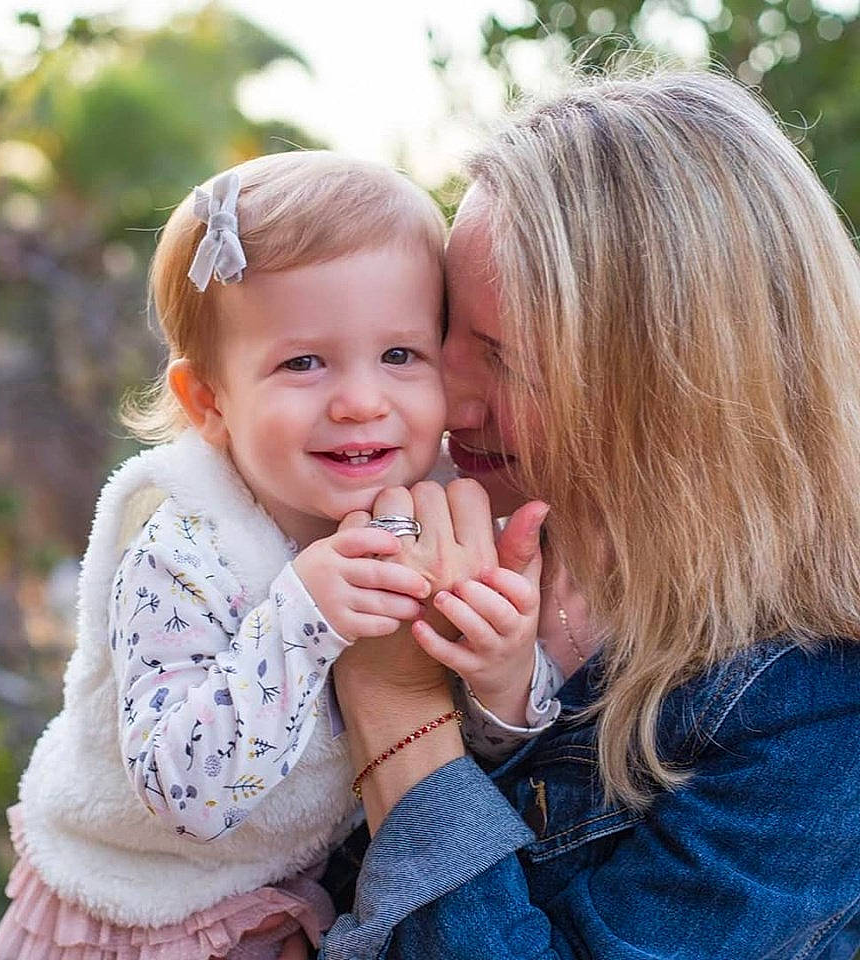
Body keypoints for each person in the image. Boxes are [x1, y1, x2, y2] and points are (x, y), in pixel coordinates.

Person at [319, 70, 860, 959]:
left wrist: (391, 702)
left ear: (680, 384)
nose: (445, 403)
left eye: (505, 358)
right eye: (443, 327)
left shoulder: (812, 709)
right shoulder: (454, 512)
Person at [0, 151, 566, 960]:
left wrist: (504, 679)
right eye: (302, 363)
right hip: (138, 915)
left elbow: (483, 758)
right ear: (210, 402)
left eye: (400, 355)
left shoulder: (430, 508)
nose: (361, 400)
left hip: (286, 905)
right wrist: (300, 618)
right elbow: (185, 793)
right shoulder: (185, 546)